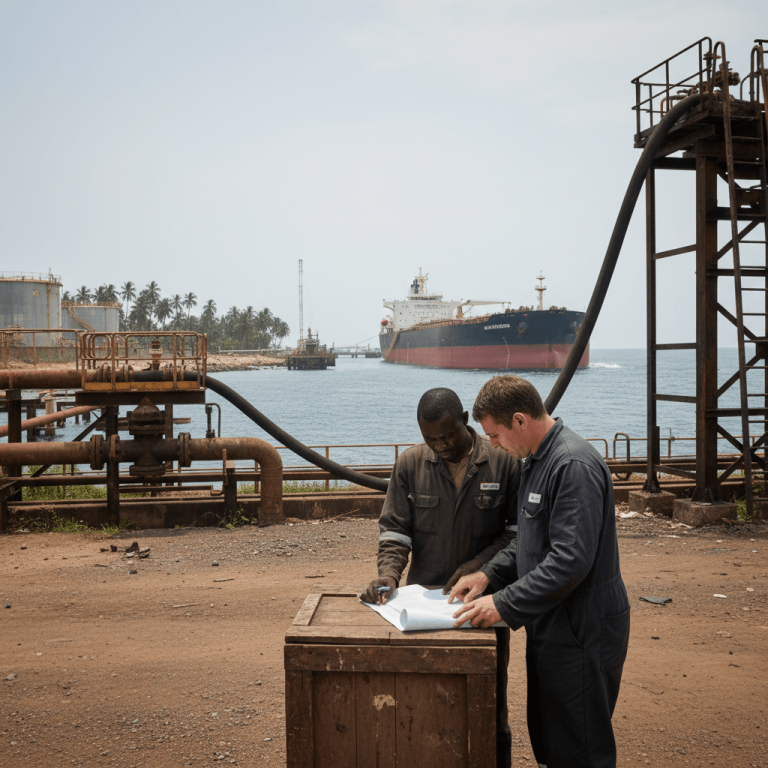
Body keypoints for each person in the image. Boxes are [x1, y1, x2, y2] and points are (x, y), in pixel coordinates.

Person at [449, 375, 630, 768]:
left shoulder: (571, 465)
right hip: (554, 623)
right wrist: (488, 575)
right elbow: (531, 542)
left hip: (582, 628)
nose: (492, 445)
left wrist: (502, 603)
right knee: (553, 737)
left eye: (494, 435)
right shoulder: (537, 459)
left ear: (519, 420)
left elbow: (569, 560)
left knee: (579, 744)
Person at [361, 387, 521, 768]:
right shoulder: (410, 465)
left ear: (465, 420)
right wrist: (387, 576)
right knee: (424, 705)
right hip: (422, 613)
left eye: (447, 435)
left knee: (489, 705)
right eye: (430, 439)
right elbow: (395, 532)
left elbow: (518, 535)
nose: (440, 445)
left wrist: (483, 565)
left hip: (482, 609)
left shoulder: (504, 462)